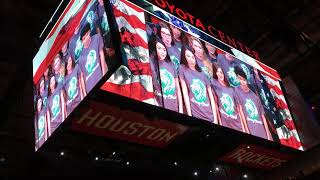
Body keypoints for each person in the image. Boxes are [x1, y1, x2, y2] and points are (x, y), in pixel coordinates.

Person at [179, 45, 217, 122]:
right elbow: (185, 93)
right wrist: (189, 115)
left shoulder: (203, 74)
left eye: (193, 57)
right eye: (188, 56)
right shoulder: (182, 68)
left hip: (209, 115)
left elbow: (211, 97)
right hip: (195, 113)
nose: (191, 59)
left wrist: (215, 119)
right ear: (184, 57)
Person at [234, 66, 272, 140]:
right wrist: (246, 131)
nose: (242, 82)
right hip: (250, 129)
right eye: (240, 79)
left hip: (261, 131)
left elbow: (262, 116)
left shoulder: (254, 95)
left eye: (244, 79)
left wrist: (268, 134)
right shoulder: (236, 90)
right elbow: (240, 112)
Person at [149, 37, 183, 113]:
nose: (162, 52)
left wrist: (180, 108)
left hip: (174, 109)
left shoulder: (171, 65)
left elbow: (177, 88)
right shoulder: (150, 62)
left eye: (164, 49)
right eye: (159, 48)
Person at [211, 63, 245, 131]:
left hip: (237, 124)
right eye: (217, 72)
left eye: (221, 72)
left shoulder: (231, 89)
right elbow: (215, 105)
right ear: (215, 74)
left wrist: (243, 128)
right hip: (225, 123)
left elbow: (239, 109)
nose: (220, 74)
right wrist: (219, 122)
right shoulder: (214, 85)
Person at [79, 23, 108, 93]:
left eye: (87, 35)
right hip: (90, 86)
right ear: (82, 41)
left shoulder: (97, 38)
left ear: (89, 33)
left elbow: (102, 55)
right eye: (84, 38)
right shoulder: (81, 57)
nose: (86, 38)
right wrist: (85, 93)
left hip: (100, 76)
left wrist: (104, 74)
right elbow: (82, 76)